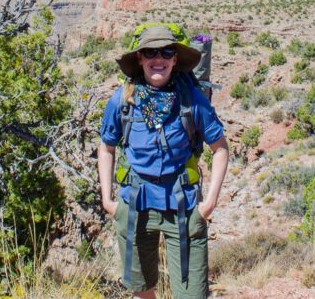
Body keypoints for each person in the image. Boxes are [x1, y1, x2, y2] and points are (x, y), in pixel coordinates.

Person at [98, 25, 230, 299]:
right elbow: (106, 147)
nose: (158, 59)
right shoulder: (122, 101)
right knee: (141, 290)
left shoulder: (191, 100)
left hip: (183, 207)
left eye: (166, 51)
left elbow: (220, 148)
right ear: (139, 58)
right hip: (136, 205)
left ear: (175, 58)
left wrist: (209, 205)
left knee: (192, 294)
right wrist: (108, 200)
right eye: (150, 52)